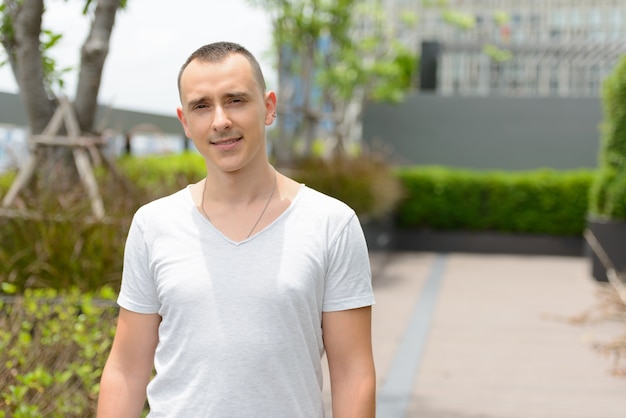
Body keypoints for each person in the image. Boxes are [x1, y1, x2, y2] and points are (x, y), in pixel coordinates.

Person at [97, 41, 376, 418]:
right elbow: (126, 371)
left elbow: (353, 375)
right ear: (185, 121)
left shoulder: (331, 224)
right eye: (201, 106)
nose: (220, 121)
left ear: (269, 107)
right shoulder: (153, 225)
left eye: (236, 100)